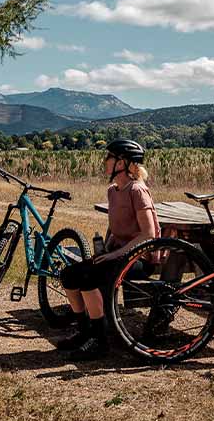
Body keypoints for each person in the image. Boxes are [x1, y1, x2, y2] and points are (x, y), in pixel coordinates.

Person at [58, 139, 160, 361]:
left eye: (109, 158)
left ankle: (99, 340)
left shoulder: (138, 190)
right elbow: (118, 229)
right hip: (120, 255)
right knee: (68, 275)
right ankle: (85, 332)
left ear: (122, 163)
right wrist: (107, 248)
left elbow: (149, 234)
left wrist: (115, 254)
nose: (105, 161)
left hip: (139, 258)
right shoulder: (113, 191)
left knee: (88, 278)